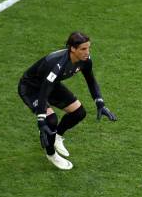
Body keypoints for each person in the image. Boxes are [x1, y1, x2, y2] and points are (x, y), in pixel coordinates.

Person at [18, 32, 117, 170]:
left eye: (88, 48)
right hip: (32, 88)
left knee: (79, 113)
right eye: (83, 49)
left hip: (51, 84)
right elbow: (44, 90)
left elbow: (91, 80)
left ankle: (57, 136)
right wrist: (41, 119)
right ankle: (51, 154)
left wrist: (99, 102)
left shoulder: (85, 60)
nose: (87, 52)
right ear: (72, 49)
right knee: (51, 120)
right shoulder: (57, 64)